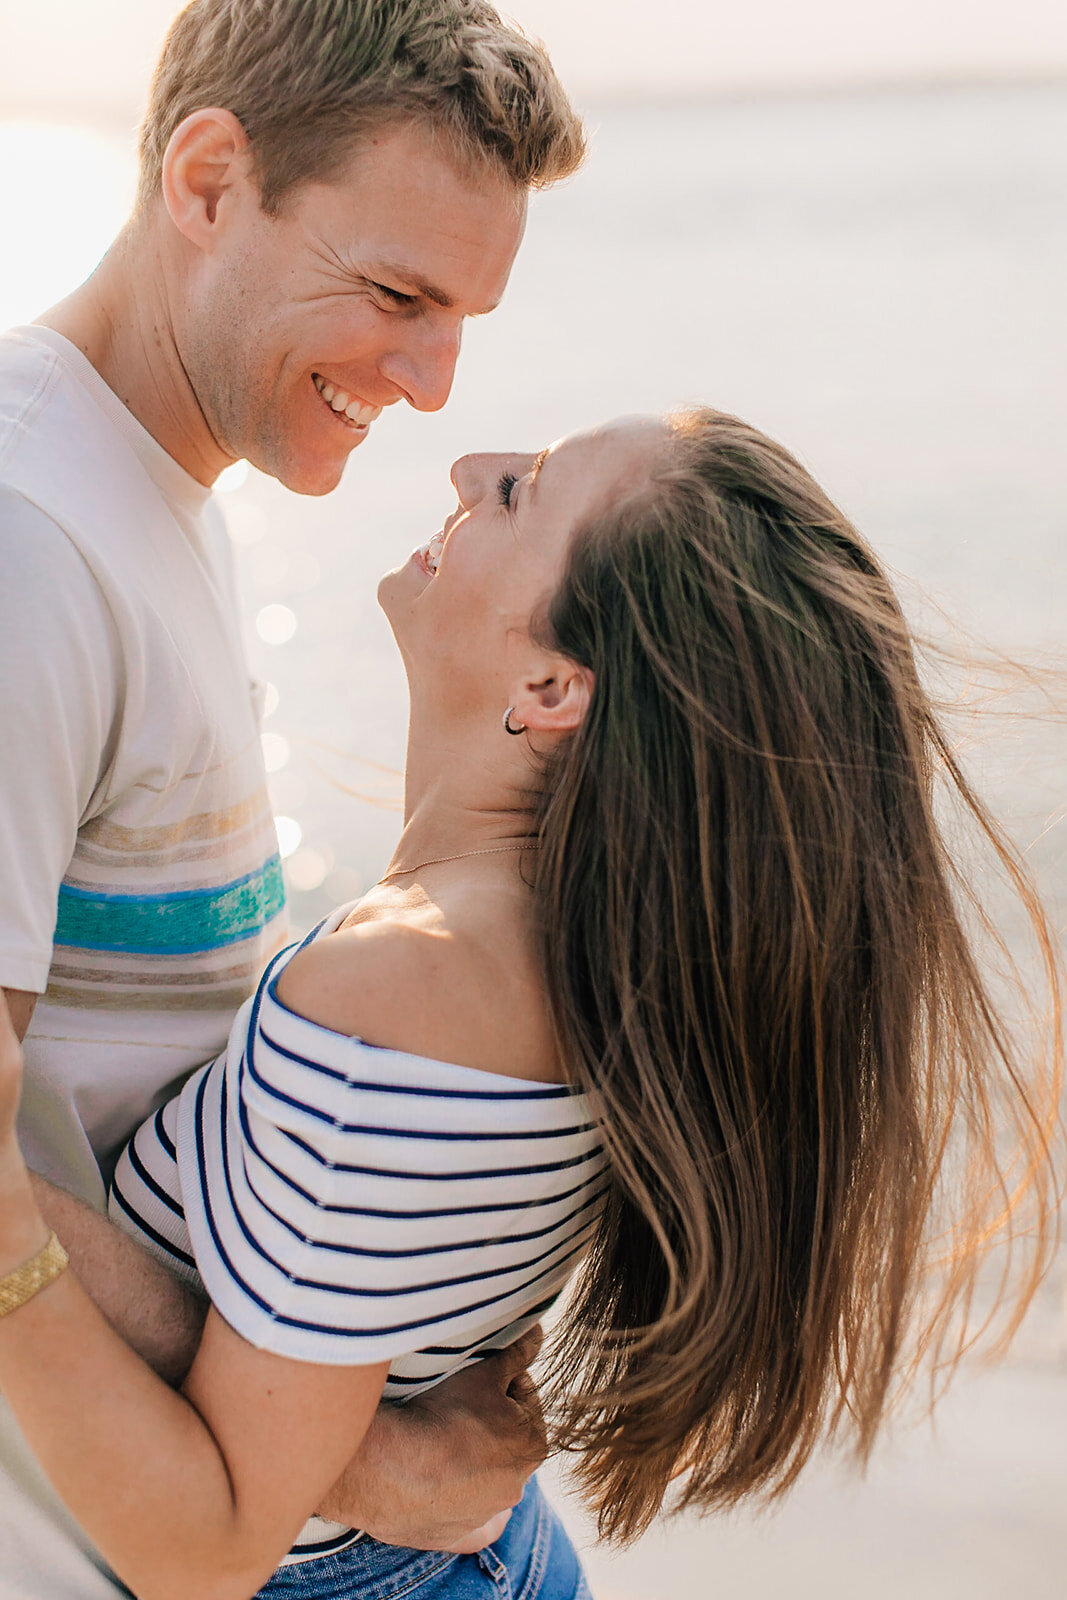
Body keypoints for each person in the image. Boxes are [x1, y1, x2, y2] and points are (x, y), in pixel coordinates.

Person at [0, 408, 1058, 1600]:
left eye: (519, 492)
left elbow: (208, 1546)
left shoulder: (405, 988)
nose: (468, 468)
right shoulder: (582, 956)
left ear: (552, 685)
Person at [0, 1, 585, 1593]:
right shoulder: (29, 543)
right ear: (207, 182)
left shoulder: (145, 488)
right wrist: (351, 1452)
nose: (433, 385)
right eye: (396, 296)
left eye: (461, 317)